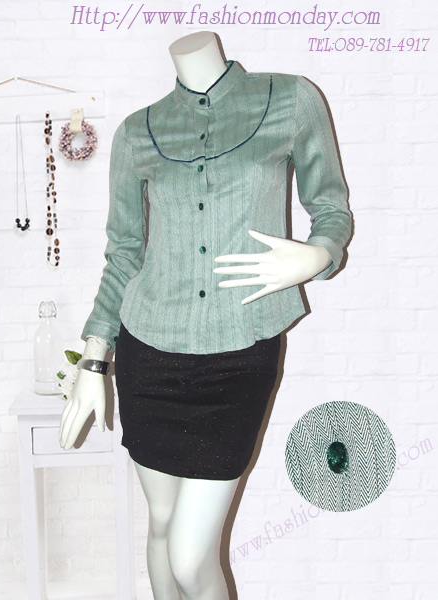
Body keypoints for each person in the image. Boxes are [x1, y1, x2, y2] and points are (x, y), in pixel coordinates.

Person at [59, 31, 352, 600]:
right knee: (161, 525)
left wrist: (318, 254)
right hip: (148, 354)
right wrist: (94, 360)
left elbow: (331, 206)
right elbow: (124, 253)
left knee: (192, 557)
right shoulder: (137, 132)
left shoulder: (290, 100)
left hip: (241, 354)